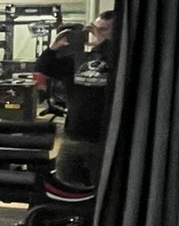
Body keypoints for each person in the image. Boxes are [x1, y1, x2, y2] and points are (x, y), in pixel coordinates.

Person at [33, 10, 117, 190]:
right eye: (95, 29)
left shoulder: (119, 60)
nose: (97, 33)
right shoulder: (78, 61)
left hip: (103, 140)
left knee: (101, 188)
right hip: (74, 136)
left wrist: (104, 45)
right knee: (64, 185)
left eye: (103, 29)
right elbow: (43, 68)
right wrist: (53, 48)